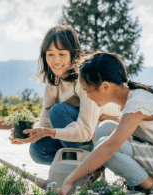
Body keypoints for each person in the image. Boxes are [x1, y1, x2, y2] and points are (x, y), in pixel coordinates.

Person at [58, 51, 153, 195]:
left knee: (108, 146)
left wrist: (70, 180)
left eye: (88, 91)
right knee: (104, 128)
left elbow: (109, 148)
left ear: (105, 86)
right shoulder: (129, 102)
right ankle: (140, 184)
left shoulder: (138, 103)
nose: (87, 96)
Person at [10, 26, 119, 165]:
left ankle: (87, 167)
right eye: (50, 54)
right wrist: (28, 133)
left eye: (62, 54)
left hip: (100, 141)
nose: (56, 61)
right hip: (75, 138)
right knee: (38, 150)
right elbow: (45, 121)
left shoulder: (85, 79)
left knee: (58, 111)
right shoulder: (53, 83)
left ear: (72, 54)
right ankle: (73, 168)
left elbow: (85, 132)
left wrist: (49, 132)